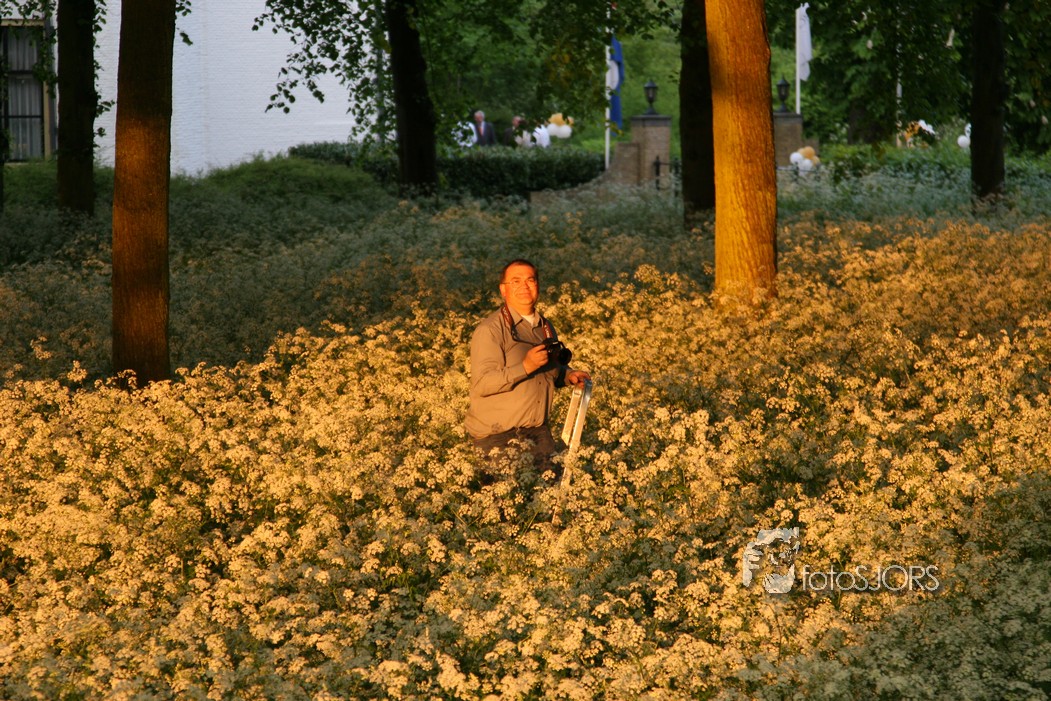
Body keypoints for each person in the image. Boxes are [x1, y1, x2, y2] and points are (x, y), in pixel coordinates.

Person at [466, 259, 590, 479]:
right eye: (516, 281)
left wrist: (568, 375)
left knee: (549, 495)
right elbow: (482, 384)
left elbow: (549, 370)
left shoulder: (545, 327)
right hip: (497, 439)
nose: (524, 286)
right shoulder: (490, 330)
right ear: (503, 289)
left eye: (530, 280)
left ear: (537, 286)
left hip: (538, 433)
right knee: (505, 501)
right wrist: (525, 366)